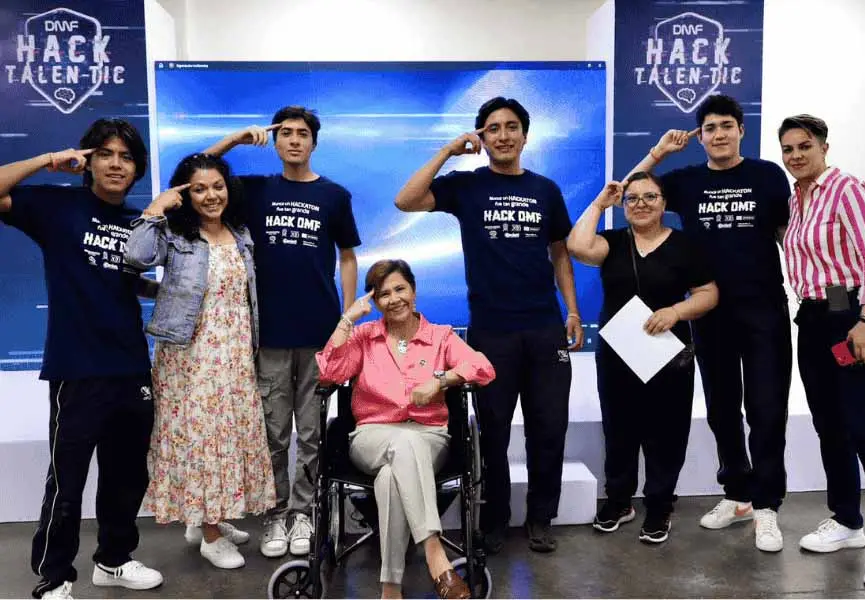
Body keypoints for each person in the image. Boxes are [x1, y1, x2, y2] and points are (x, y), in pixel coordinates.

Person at [394, 97, 583, 554]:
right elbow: (407, 199)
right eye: (492, 128)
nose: (503, 135)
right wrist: (446, 151)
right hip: (491, 331)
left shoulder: (545, 189)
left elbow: (560, 254)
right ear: (481, 135)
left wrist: (572, 310)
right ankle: (495, 519)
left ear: (524, 135)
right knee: (493, 432)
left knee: (548, 427)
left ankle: (541, 519)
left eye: (511, 126)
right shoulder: (467, 185)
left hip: (543, 327)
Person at [0, 119, 164, 599]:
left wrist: (167, 290)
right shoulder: (57, 205)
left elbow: (124, 280)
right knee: (67, 480)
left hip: (132, 365)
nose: (116, 164)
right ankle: (54, 577)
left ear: (136, 169)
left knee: (127, 475)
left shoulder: (137, 223)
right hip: (77, 368)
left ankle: (113, 560)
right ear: (88, 160)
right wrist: (48, 160)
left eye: (126, 157)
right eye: (106, 153)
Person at [627, 94, 793, 552]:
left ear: (741, 130)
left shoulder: (766, 175)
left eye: (726, 125)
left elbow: (789, 234)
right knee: (722, 409)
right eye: (709, 128)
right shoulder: (685, 180)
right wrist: (660, 152)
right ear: (699, 136)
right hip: (709, 310)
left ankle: (766, 505)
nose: (718, 134)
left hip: (763, 310)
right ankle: (737, 492)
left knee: (766, 409)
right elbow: (632, 188)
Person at [203, 106, 361, 558]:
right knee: (273, 433)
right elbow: (197, 174)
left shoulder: (335, 195)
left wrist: (346, 318)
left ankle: (304, 512)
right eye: (286, 133)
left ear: (314, 142)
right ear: (275, 141)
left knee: (311, 432)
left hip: (318, 333)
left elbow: (347, 255)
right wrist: (234, 140)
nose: (294, 140)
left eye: (303, 134)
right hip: (268, 333)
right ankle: (274, 513)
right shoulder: (254, 191)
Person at [124, 153, 276, 569]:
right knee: (203, 441)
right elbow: (134, 258)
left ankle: (206, 518)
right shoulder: (175, 233)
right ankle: (210, 536)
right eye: (199, 188)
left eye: (217, 186)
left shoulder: (239, 232)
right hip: (193, 356)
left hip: (235, 352)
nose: (211, 195)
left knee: (228, 437)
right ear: (184, 194)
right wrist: (155, 209)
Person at [316, 259, 496, 600]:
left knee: (390, 478)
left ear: (413, 291)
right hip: (372, 436)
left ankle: (390, 589)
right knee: (401, 443)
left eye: (400, 289)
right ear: (376, 301)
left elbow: (483, 367)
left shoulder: (440, 336)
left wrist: (441, 379)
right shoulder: (366, 336)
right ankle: (436, 557)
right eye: (383, 294)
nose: (394, 299)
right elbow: (328, 372)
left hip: (429, 437)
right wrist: (348, 318)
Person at [778, 114, 865, 589]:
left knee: (864, 427)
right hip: (813, 318)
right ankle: (848, 521)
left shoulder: (848, 189)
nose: (795, 156)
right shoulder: (797, 199)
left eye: (804, 146)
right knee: (829, 424)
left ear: (824, 146)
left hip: (854, 318)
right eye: (788, 149)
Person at [568, 173, 718, 543]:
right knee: (619, 429)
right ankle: (619, 500)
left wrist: (676, 312)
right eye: (632, 199)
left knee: (666, 431)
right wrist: (600, 203)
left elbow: (708, 293)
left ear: (664, 203)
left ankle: (660, 504)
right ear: (623, 207)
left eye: (650, 197)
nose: (641, 204)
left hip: (668, 352)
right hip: (618, 354)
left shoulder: (685, 246)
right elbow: (576, 245)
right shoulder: (614, 243)